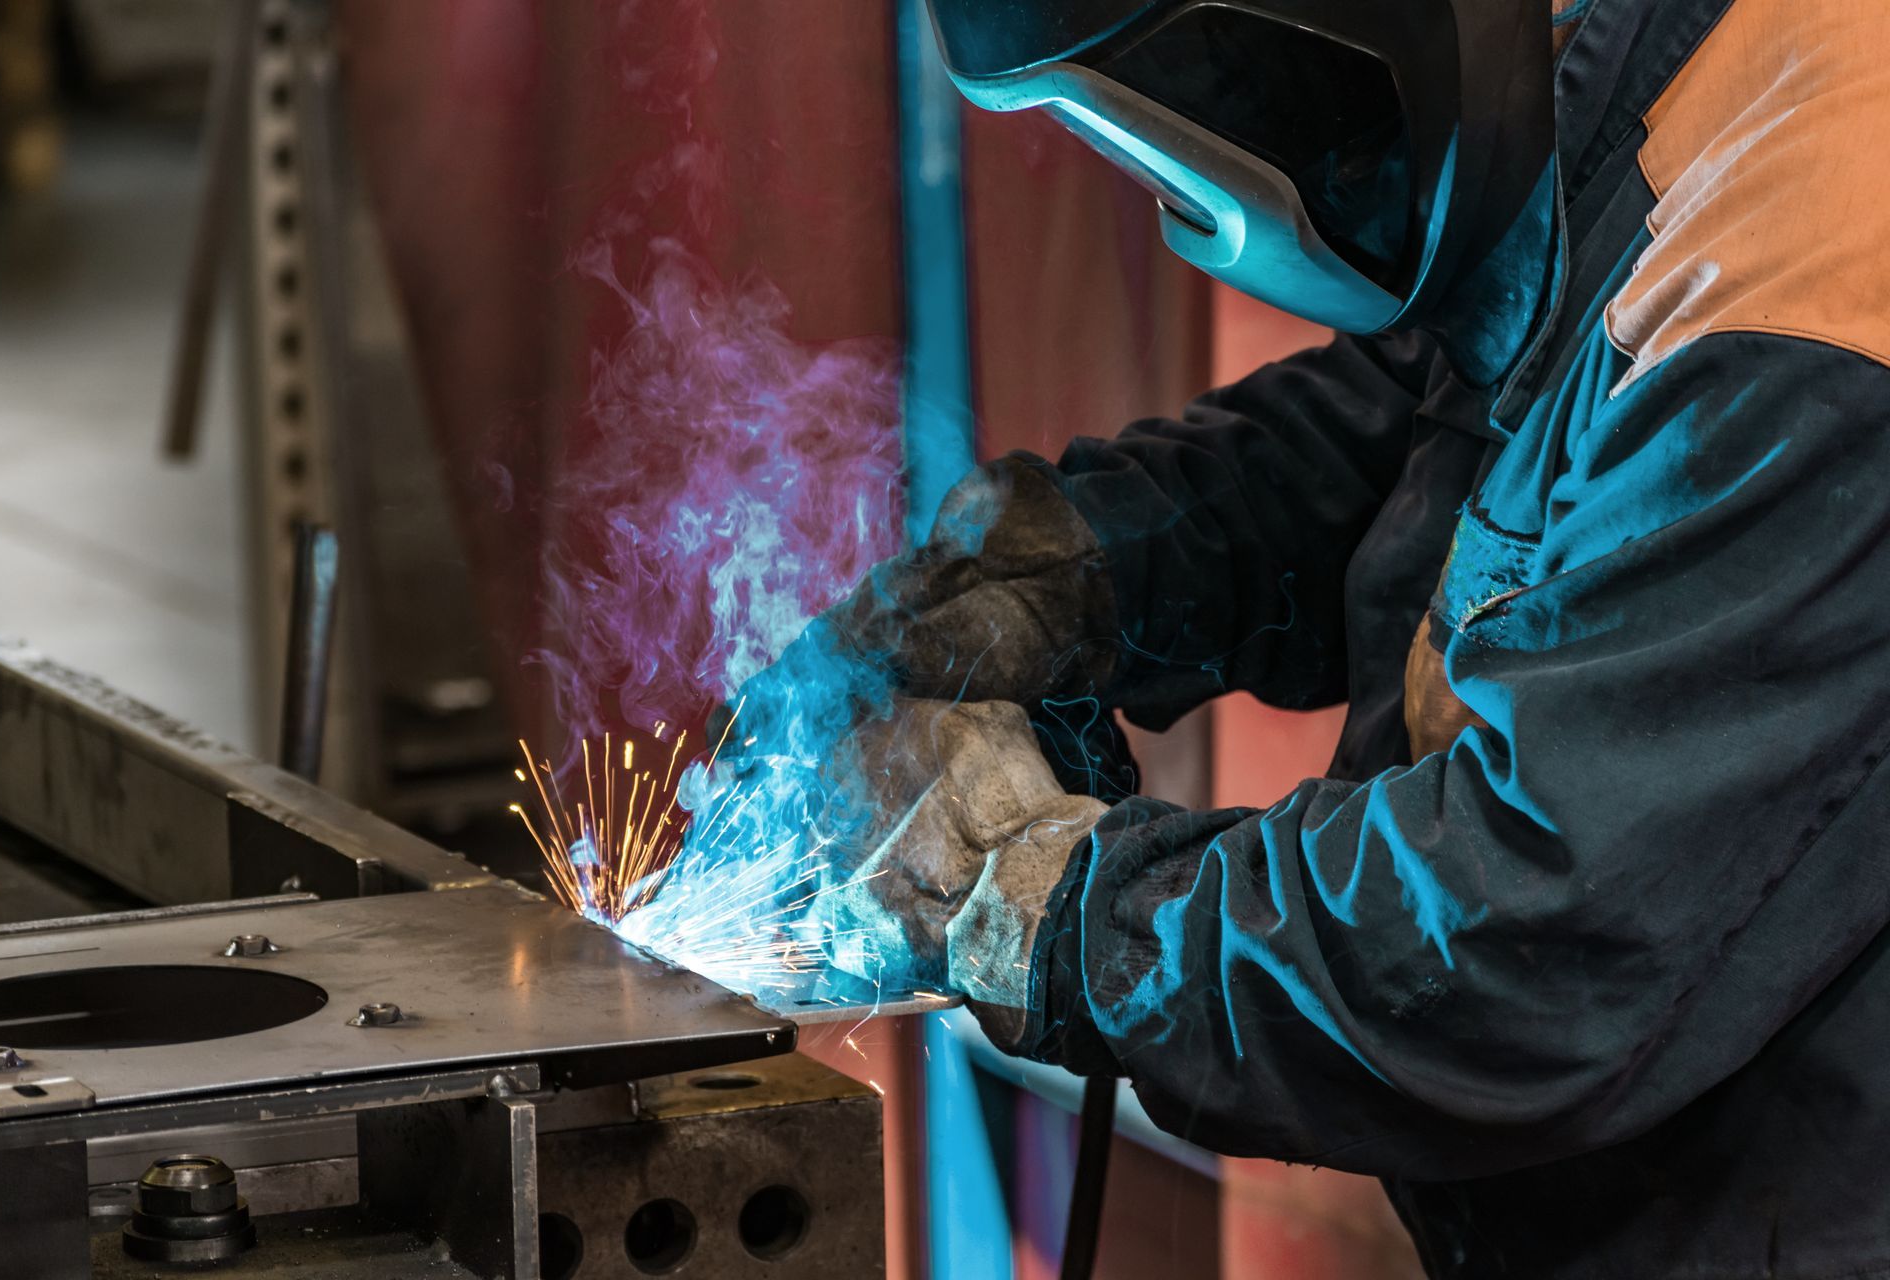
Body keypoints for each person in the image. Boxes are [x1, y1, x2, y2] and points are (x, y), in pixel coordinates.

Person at [750, 1, 1890, 1274]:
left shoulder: (1828, 264)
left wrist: (1043, 908)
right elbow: (1444, 400)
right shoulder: (1666, 55)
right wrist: (1084, 568)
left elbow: (1528, 934)